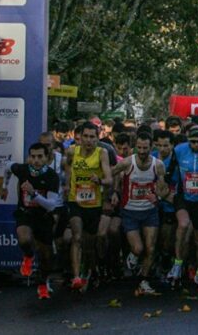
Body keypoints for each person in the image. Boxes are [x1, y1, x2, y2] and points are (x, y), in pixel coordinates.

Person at [109, 132, 167, 296]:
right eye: (139, 148)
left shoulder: (158, 165)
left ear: (151, 147)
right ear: (136, 147)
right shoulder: (128, 163)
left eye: (145, 148)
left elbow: (163, 188)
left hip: (150, 211)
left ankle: (144, 280)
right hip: (130, 211)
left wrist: (157, 195)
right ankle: (132, 257)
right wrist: (111, 190)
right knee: (138, 248)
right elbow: (111, 175)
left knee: (150, 247)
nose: (142, 151)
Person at [3, 142, 61, 298]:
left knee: (46, 256)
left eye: (40, 157)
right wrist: (4, 186)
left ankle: (43, 283)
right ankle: (28, 255)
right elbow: (8, 167)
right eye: (33, 156)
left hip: (43, 217)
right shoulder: (22, 169)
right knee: (24, 239)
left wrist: (33, 194)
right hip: (25, 214)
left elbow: (51, 205)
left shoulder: (51, 176)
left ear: (47, 158)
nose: (36, 160)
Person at [63, 121, 114, 291]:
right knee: (77, 237)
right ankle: (77, 276)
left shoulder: (102, 153)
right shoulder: (71, 151)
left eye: (92, 137)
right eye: (85, 136)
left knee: (89, 245)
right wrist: (67, 184)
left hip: (94, 203)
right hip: (75, 200)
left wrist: (99, 180)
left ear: (97, 138)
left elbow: (109, 179)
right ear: (79, 137)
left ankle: (92, 270)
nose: (88, 140)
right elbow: (67, 168)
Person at [167, 126, 198, 292]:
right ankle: (178, 263)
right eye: (193, 142)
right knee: (183, 224)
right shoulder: (179, 150)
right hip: (183, 196)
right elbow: (169, 173)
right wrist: (165, 191)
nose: (196, 145)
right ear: (188, 141)